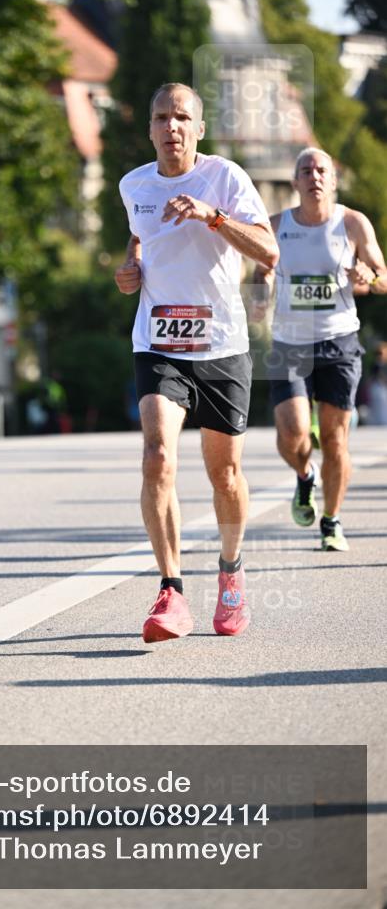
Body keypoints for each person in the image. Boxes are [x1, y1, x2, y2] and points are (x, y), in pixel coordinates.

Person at [115, 82, 278, 643]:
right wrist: (128, 269)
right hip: (158, 342)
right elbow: (140, 243)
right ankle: (171, 591)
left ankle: (230, 575)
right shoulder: (132, 184)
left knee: (224, 474)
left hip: (222, 344)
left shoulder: (225, 178)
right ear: (151, 128)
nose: (172, 126)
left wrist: (212, 217)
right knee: (157, 455)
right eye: (162, 117)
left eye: (182, 117)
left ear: (198, 129)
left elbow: (267, 249)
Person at [251, 147, 386, 550]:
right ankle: (304, 475)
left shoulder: (352, 223)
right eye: (305, 170)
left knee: (335, 438)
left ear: (333, 179)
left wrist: (368, 273)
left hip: (339, 342)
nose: (314, 176)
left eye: (321, 170)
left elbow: (382, 275)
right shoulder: (275, 226)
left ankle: (331, 521)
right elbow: (260, 274)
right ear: (295, 182)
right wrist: (262, 290)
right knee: (291, 435)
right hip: (290, 344)